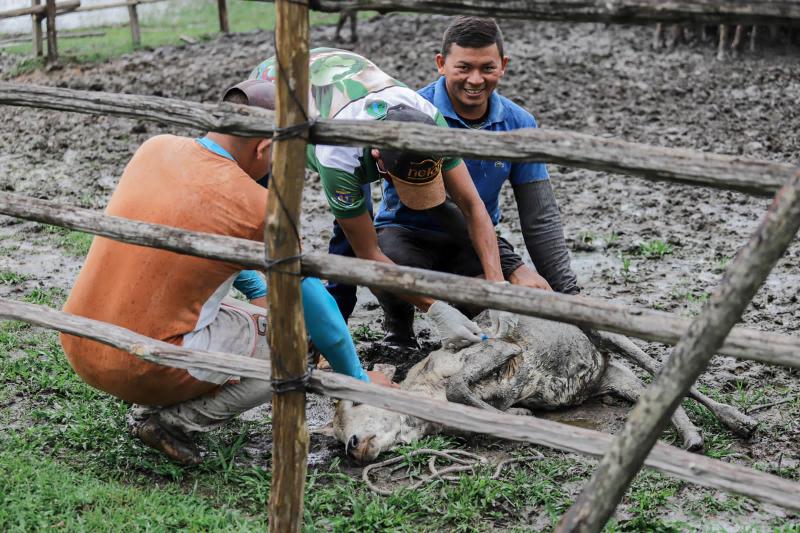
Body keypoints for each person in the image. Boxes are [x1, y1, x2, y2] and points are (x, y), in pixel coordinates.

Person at [60, 80, 392, 466]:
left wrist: (256, 293)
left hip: (80, 342)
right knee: (295, 342)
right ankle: (175, 421)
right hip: (138, 366)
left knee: (255, 319)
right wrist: (359, 382)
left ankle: (178, 388)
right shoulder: (260, 206)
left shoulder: (155, 148)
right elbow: (320, 314)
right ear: (265, 147)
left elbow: (209, 240)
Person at [250, 48, 505, 351]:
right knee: (269, 217)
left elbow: (473, 206)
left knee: (355, 224)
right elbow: (368, 251)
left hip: (339, 71)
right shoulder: (338, 155)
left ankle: (330, 327)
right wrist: (436, 308)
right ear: (379, 163)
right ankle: (324, 333)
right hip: (274, 90)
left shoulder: (430, 123)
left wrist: (497, 289)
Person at [372, 16, 580, 348]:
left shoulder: (519, 124)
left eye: (487, 68)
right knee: (387, 260)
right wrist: (513, 265)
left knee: (490, 299)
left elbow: (539, 215)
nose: (475, 79)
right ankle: (399, 328)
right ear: (441, 64)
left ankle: (465, 312)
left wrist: (569, 296)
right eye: (464, 67)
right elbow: (442, 205)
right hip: (409, 232)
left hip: (475, 237)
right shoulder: (415, 114)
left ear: (503, 66)